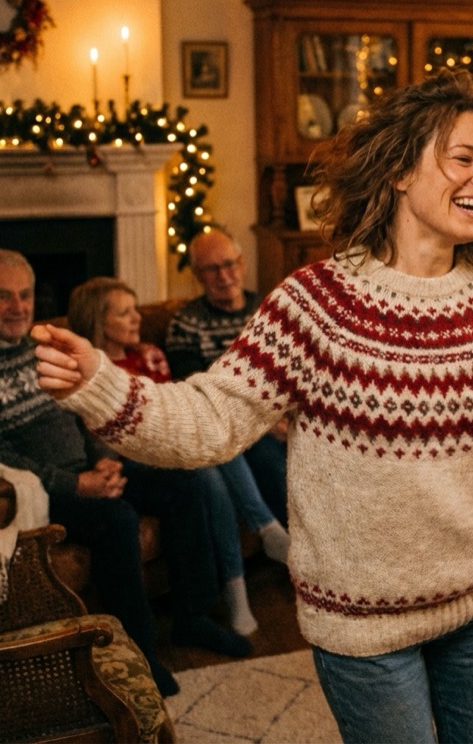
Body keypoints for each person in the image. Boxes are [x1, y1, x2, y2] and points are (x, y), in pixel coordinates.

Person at [31, 71, 473, 744]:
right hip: (362, 623)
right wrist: (100, 381)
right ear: (402, 166)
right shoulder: (317, 302)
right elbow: (209, 420)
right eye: (463, 158)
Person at [0, 251, 251, 701]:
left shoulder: (47, 347)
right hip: (42, 490)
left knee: (185, 481)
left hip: (89, 468)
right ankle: (140, 654)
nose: (18, 307)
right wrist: (76, 484)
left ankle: (193, 617)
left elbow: (82, 410)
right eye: (3, 296)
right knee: (116, 519)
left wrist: (104, 459)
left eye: (24, 295)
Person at [67, 276, 269, 635]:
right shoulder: (88, 372)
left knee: (217, 447)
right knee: (203, 469)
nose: (137, 319)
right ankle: (250, 559)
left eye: (135, 310)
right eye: (125, 313)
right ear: (100, 323)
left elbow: (174, 410)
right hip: (128, 459)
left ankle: (244, 567)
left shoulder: (149, 355)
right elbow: (96, 435)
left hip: (168, 443)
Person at [165, 227, 290, 538]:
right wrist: (265, 418)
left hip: (282, 417)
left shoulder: (267, 311)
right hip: (236, 428)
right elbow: (198, 391)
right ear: (197, 274)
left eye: (229, 264)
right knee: (272, 463)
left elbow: (289, 372)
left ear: (242, 263)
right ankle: (300, 559)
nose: (224, 275)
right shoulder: (186, 323)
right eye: (212, 269)